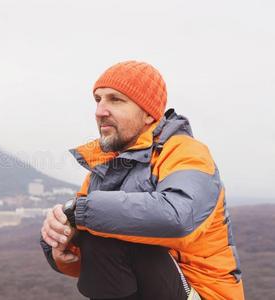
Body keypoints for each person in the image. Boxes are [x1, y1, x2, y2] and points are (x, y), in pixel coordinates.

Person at [40, 61, 245, 300]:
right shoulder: (104, 168)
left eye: (115, 100)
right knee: (100, 231)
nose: (100, 111)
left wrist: (80, 212)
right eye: (98, 100)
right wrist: (62, 241)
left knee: (106, 230)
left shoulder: (186, 152)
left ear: (148, 113)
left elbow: (178, 219)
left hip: (203, 291)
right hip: (155, 288)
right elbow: (102, 268)